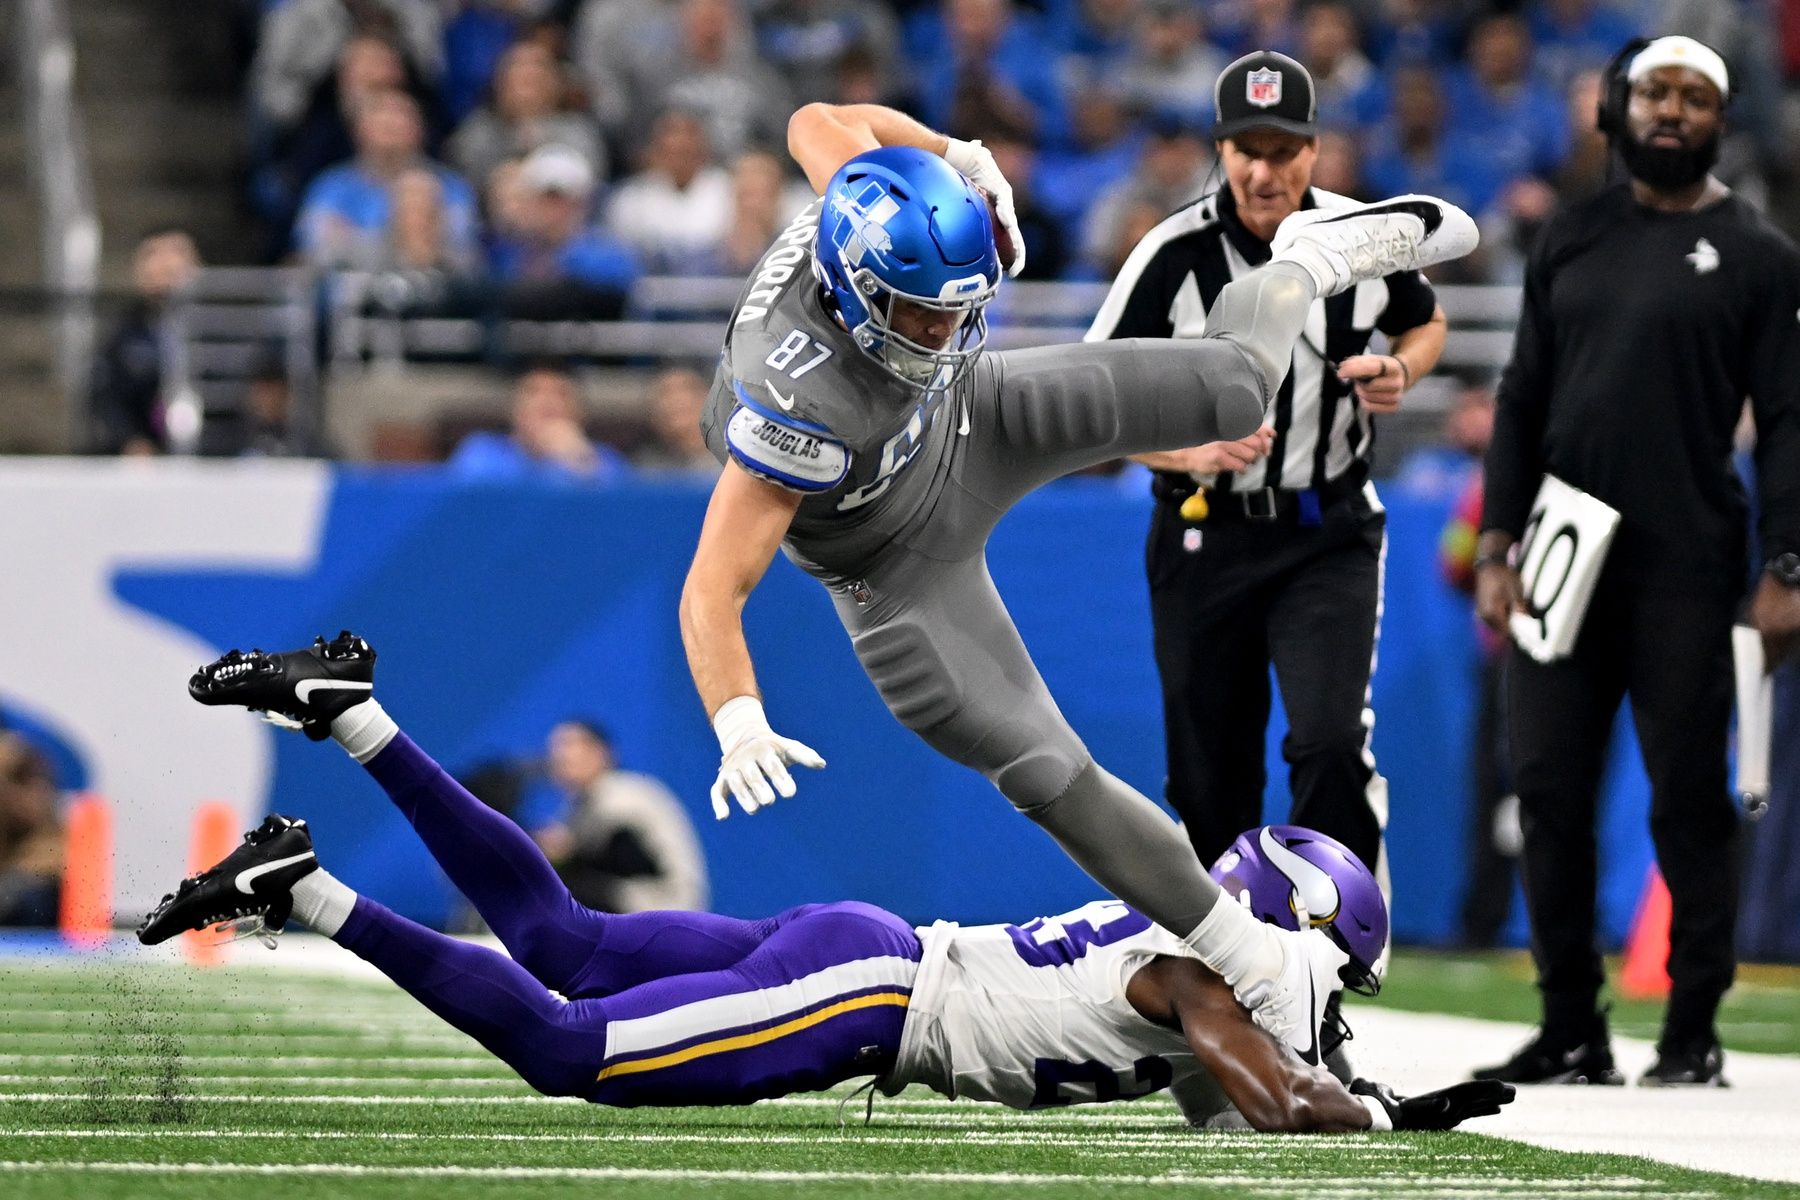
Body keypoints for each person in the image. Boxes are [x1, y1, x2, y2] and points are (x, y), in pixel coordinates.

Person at [678, 96, 1477, 1064]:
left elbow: (814, 116)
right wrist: (738, 719)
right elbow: (711, 591)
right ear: (855, 295)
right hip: (893, 568)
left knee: (1230, 385)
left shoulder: (870, 210)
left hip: (975, 421)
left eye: (956, 306)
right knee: (1053, 773)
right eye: (923, 314)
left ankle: (1301, 261)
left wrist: (956, 150)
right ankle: (1260, 967)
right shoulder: (791, 398)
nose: (943, 329)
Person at [140, 631, 1512, 1133]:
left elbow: (1221, 1106)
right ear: (1314, 931)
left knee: (563, 937)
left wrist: (1366, 1090)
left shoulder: (1197, 943)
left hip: (868, 951)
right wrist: (1373, 1114)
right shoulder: (1214, 971)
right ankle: (310, 896)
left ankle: (354, 719)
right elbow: (1266, 1100)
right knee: (569, 1049)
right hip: (874, 996)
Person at [1471, 36, 1800, 1089]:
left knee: (1686, 800)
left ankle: (1691, 1029)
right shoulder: (1571, 235)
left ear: (1720, 117)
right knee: (1547, 793)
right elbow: (1522, 397)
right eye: (1654, 91)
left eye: (1693, 97)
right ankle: (1572, 1023)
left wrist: (1787, 565)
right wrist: (1494, 541)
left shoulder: (1758, 254)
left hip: (1688, 565)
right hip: (1563, 563)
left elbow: (1790, 424)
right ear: (1618, 108)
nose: (1670, 110)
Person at [1084, 52, 1449, 902]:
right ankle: (1235, 967)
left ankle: (1335, 955)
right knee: (1208, 775)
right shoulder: (1171, 253)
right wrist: (1184, 451)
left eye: (1282, 150)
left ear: (1314, 151)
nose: (1262, 170)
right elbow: (1092, 398)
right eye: (1245, 148)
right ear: (1221, 150)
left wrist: (1406, 369)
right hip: (1205, 533)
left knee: (1326, 744)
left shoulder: (1364, 237)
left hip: (1328, 530)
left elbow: (1425, 321)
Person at [532, 718, 709, 914]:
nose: (562, 755)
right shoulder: (577, 804)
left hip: (666, 905)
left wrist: (563, 850)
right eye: (557, 750)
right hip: (635, 901)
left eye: (572, 747)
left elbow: (620, 855)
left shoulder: (623, 792)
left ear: (602, 753)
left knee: (566, 887)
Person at [87, 228, 201, 456]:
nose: (165, 265)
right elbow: (105, 395)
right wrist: (130, 440)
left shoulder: (224, 327)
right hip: (146, 452)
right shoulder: (124, 331)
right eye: (152, 255)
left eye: (176, 252)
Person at [447, 364, 630, 481]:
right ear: (514, 410)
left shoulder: (604, 460)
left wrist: (578, 459)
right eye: (534, 392)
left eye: (561, 394)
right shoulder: (482, 452)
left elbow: (613, 512)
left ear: (581, 413)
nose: (548, 401)